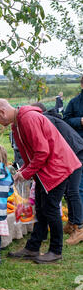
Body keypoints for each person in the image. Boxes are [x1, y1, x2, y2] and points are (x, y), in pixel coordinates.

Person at [0, 99, 81, 264]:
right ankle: (32, 247)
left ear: (1, 113)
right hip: (46, 170)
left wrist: (27, 173)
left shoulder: (28, 119)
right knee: (40, 207)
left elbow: (42, 152)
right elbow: (29, 154)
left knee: (50, 209)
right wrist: (24, 170)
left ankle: (56, 250)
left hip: (56, 168)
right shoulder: (17, 124)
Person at [32, 102, 83, 245]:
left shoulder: (46, 120)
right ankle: (72, 222)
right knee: (68, 191)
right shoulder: (48, 118)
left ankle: (79, 227)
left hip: (75, 153)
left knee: (73, 191)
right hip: (72, 151)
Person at [63, 76, 83, 209]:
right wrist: (80, 121)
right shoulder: (74, 102)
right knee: (79, 184)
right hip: (79, 147)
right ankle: (80, 217)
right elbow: (65, 121)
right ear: (82, 84)